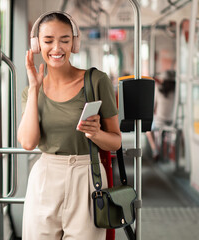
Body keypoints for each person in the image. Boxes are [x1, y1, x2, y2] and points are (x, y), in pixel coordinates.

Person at [17, 11, 121, 240]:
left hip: (87, 176)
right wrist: (34, 87)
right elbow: (27, 142)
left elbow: (116, 140)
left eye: (65, 40)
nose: (57, 48)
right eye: (48, 41)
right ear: (36, 45)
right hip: (45, 178)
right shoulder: (31, 91)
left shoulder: (96, 81)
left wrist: (95, 134)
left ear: (74, 43)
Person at [146, 70, 176, 160]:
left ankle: (155, 149)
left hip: (159, 121)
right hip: (172, 121)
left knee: (148, 130)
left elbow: (153, 107)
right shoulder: (176, 92)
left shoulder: (159, 90)